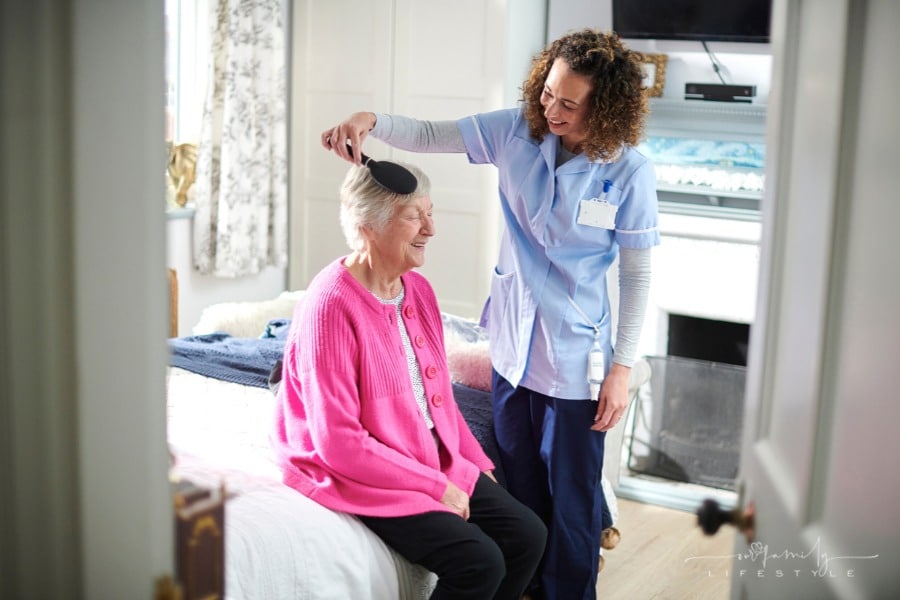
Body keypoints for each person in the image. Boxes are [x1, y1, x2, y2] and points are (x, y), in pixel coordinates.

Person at [321, 29, 659, 599]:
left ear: (603, 109)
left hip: (575, 353)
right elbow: (431, 135)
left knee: (572, 501)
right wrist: (370, 120)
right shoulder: (516, 130)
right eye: (547, 92)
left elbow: (637, 275)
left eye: (569, 104)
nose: (551, 110)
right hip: (511, 341)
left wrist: (622, 368)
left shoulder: (629, 172)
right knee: (521, 484)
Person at [271, 161, 547, 600]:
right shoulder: (330, 305)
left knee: (528, 535)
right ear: (368, 227)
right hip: (354, 470)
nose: (430, 229)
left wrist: (477, 466)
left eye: (430, 213)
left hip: (421, 455)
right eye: (414, 217)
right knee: (479, 562)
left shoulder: (417, 290)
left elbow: (440, 402)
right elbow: (339, 444)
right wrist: (438, 487)